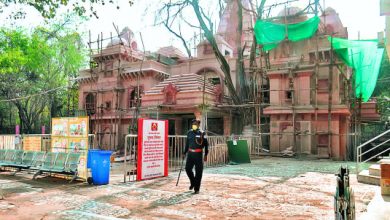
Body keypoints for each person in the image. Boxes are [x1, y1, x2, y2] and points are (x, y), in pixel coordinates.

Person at [183, 119, 209, 194]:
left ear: (198, 125)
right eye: (193, 124)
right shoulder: (189, 132)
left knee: (198, 172)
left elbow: (206, 145)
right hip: (190, 154)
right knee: (187, 169)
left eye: (195, 124)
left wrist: (206, 154)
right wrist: (184, 152)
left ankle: (196, 188)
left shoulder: (202, 133)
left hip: (198, 154)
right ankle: (193, 182)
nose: (194, 125)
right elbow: (187, 143)